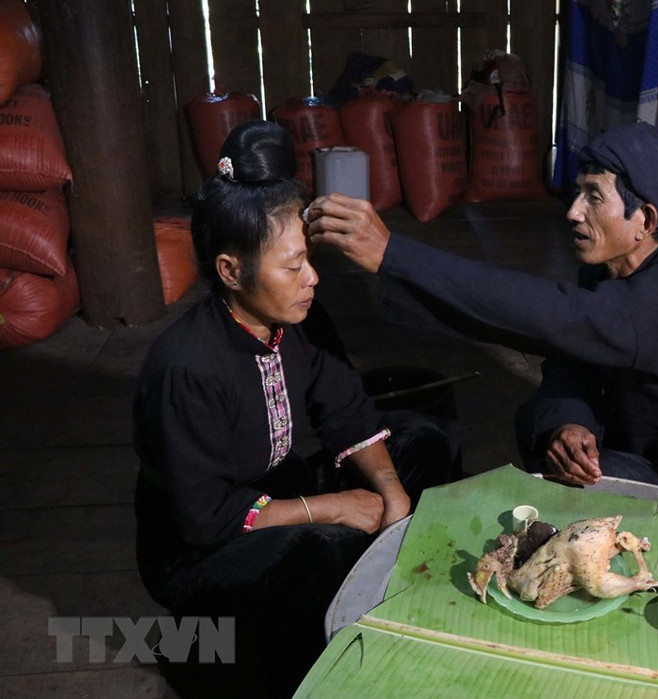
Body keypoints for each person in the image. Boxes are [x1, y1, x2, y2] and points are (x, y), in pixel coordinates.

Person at [306, 122, 658, 519]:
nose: (573, 212)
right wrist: (569, 423)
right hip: (647, 455)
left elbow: (541, 314)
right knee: (540, 421)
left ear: (646, 221)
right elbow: (568, 357)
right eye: (578, 193)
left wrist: (395, 254)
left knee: (536, 515)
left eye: (594, 197)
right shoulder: (607, 271)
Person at [133, 120, 453, 696]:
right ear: (231, 271)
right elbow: (205, 518)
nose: (312, 278)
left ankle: (389, 603)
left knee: (424, 444)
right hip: (199, 545)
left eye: (307, 259)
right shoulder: (187, 368)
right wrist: (332, 507)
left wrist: (392, 496)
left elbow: (348, 412)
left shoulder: (297, 319)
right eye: (291, 267)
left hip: (279, 489)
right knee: (311, 554)